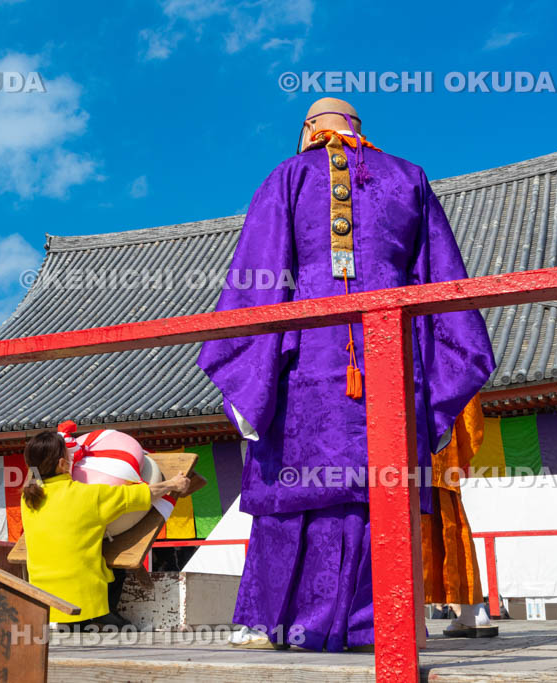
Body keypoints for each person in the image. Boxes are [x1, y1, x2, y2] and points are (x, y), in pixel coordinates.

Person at [197, 98, 495, 651]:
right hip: (393, 356)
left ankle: (270, 624)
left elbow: (258, 279)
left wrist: (249, 372)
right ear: (360, 130)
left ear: (309, 130)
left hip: (305, 358)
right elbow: (441, 281)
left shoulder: (287, 176)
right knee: (379, 488)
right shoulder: (410, 178)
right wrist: (439, 374)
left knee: (294, 484)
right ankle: (384, 626)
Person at [20, 430, 190, 631]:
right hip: (85, 598)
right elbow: (141, 493)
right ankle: (102, 615)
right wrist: (173, 483)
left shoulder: (27, 499)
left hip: (46, 597)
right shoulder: (88, 495)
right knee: (116, 560)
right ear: (62, 464)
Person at [422, 395, 496, 637]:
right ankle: (472, 612)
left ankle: (408, 617)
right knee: (449, 520)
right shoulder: (441, 356)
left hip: (393, 441)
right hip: (439, 442)